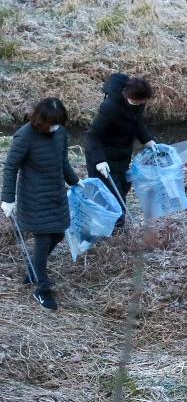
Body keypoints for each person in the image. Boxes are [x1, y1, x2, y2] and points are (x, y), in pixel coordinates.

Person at [1, 98, 81, 311]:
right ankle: (42, 288)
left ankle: (33, 270)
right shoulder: (24, 137)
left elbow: (63, 162)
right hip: (33, 197)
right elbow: (10, 167)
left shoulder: (60, 133)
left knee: (58, 234)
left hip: (56, 194)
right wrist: (7, 199)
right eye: (51, 123)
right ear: (40, 119)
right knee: (43, 239)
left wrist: (75, 181)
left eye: (58, 122)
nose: (54, 127)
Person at [85, 74, 156, 227]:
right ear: (126, 95)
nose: (139, 104)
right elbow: (92, 135)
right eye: (136, 101)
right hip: (102, 156)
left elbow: (137, 122)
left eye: (142, 102)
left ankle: (116, 227)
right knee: (111, 194)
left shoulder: (138, 103)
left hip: (122, 154)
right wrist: (99, 161)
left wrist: (148, 140)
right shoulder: (110, 107)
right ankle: (111, 230)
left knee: (122, 188)